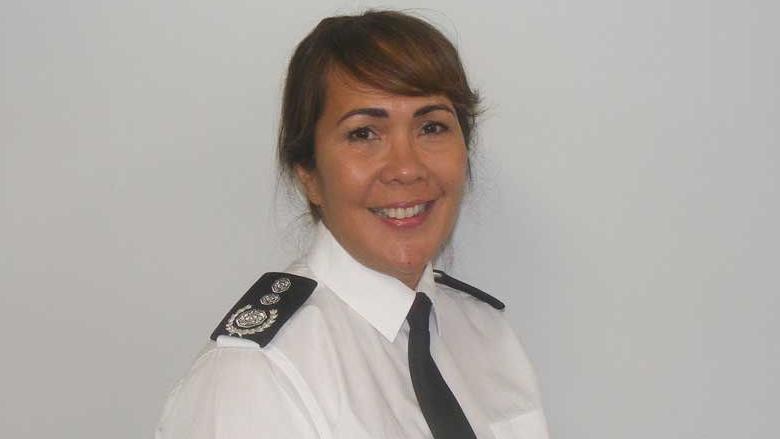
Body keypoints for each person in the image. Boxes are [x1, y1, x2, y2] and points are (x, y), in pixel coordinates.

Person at [156, 10, 550, 439]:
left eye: (432, 126)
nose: (406, 168)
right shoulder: (255, 378)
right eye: (364, 133)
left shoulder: (486, 334)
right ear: (308, 173)